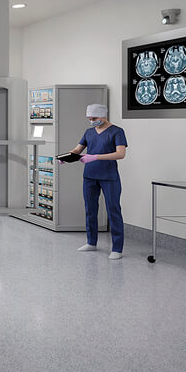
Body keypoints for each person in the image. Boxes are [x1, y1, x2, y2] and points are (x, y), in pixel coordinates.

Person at [63, 103, 127, 260]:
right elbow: (77, 150)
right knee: (90, 209)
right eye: (89, 118)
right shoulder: (89, 132)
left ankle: (117, 248)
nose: (91, 121)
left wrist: (96, 156)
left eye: (94, 118)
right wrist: (67, 157)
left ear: (104, 115)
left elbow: (120, 154)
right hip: (90, 175)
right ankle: (91, 242)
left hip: (108, 176)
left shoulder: (117, 132)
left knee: (113, 210)